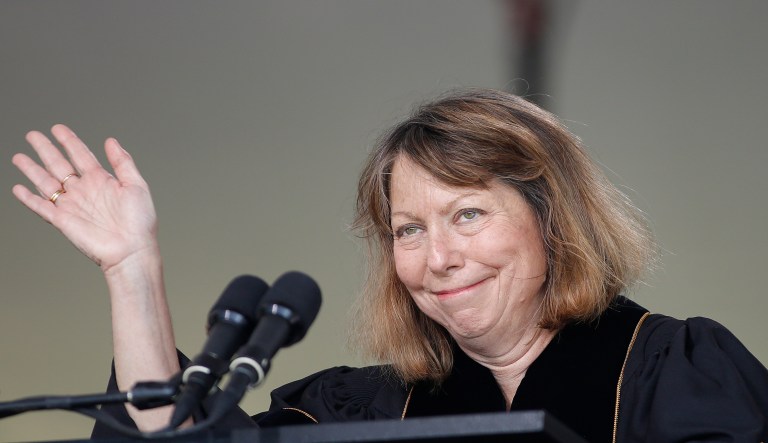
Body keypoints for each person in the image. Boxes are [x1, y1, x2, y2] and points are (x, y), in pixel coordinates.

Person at [12, 89, 768, 442]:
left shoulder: (675, 373)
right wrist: (132, 268)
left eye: (467, 214)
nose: (437, 258)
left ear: (550, 218)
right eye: (408, 229)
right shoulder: (367, 411)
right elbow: (176, 441)